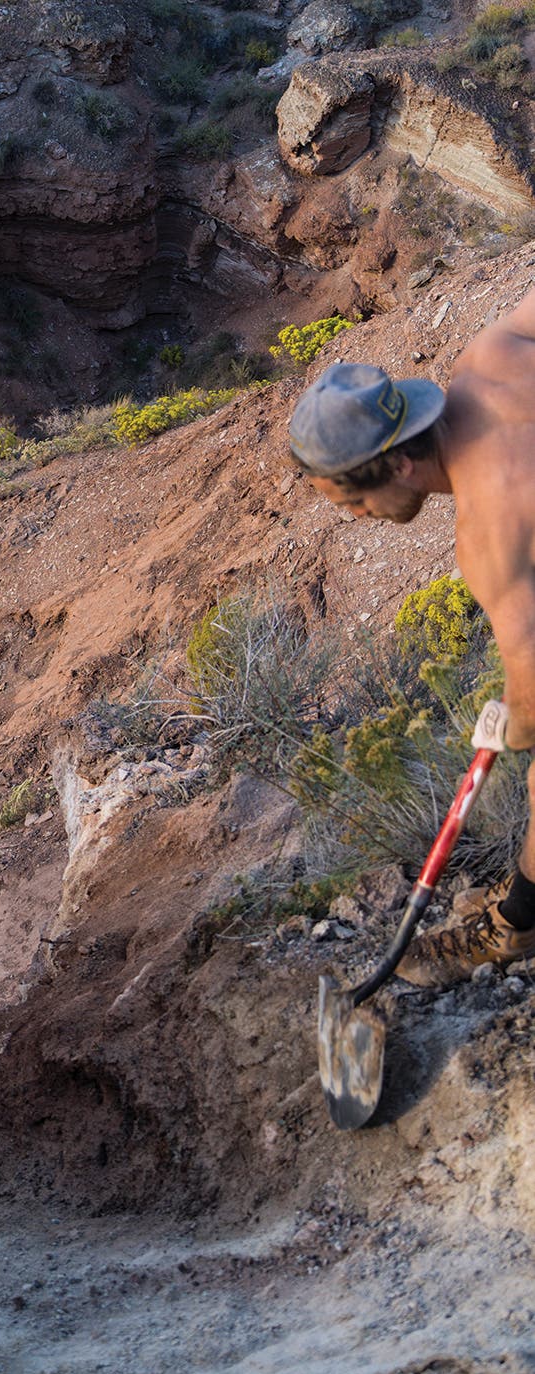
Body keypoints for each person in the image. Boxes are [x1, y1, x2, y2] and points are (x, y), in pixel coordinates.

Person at [289, 345, 535, 986]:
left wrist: (512, 726)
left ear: (399, 462)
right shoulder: (493, 355)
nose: (361, 521)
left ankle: (519, 926)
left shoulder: (489, 530)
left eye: (354, 506)